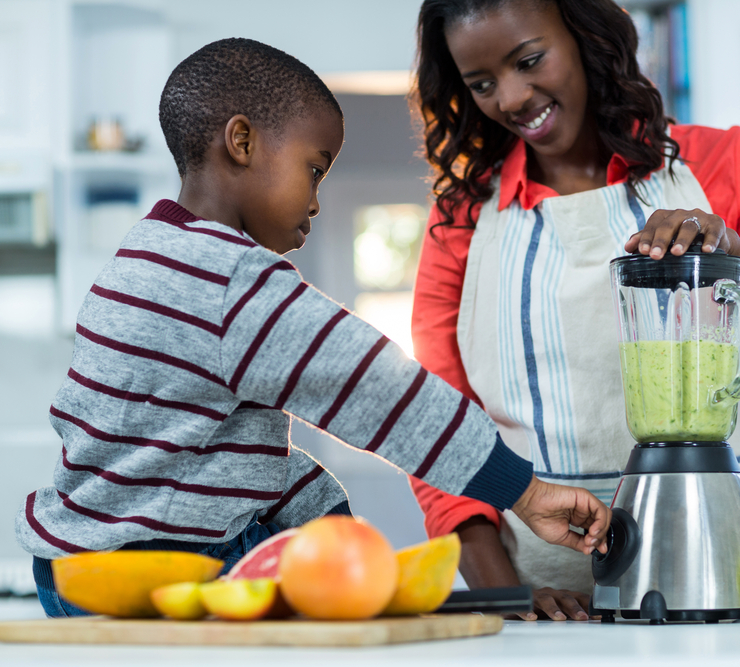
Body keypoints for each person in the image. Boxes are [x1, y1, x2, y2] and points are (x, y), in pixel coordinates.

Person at [14, 37, 610, 618]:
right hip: (162, 567)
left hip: (80, 568)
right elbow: (382, 393)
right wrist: (524, 493)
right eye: (314, 169)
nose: (317, 201)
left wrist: (333, 524)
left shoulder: (142, 257)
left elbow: (234, 458)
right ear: (242, 141)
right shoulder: (231, 279)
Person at [407, 0, 740, 621]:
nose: (509, 98)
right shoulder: (462, 218)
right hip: (538, 612)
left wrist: (729, 248)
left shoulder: (720, 163)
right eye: (481, 83)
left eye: (529, 60)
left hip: (712, 582)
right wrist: (506, 595)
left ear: (585, 36)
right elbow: (439, 427)